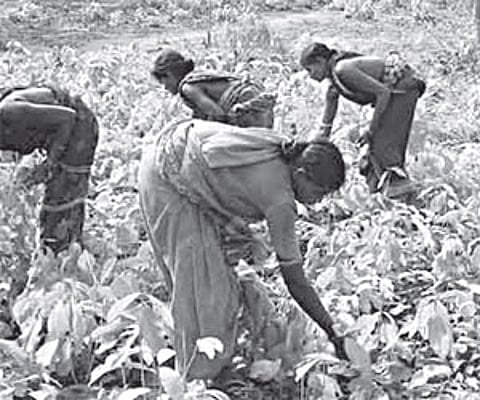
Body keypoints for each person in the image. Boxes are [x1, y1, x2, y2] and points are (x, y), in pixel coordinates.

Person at [138, 118, 347, 380]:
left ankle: (208, 367)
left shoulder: (281, 148)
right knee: (204, 297)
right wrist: (331, 330)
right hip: (168, 184)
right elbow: (295, 280)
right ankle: (195, 380)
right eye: (319, 192)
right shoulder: (280, 200)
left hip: (168, 156)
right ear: (301, 175)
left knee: (209, 282)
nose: (319, 201)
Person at [300, 43, 426, 197]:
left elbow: (383, 93)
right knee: (371, 152)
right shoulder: (334, 85)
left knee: (385, 151)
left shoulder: (343, 70)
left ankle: (404, 199)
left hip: (402, 89)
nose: (310, 76)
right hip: (392, 94)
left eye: (310, 69)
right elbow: (325, 125)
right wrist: (312, 150)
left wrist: (371, 131)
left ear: (320, 61)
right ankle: (380, 196)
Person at [0, 86, 99, 253]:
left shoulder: (9, 112)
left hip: (78, 125)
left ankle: (62, 252)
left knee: (63, 192)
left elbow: (67, 117)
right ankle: (60, 249)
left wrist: (49, 164)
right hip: (57, 133)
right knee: (57, 192)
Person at [151, 48, 276, 128]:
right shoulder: (198, 76)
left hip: (244, 104)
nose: (165, 87)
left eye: (164, 82)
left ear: (170, 74)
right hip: (259, 101)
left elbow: (217, 114)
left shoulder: (187, 87)